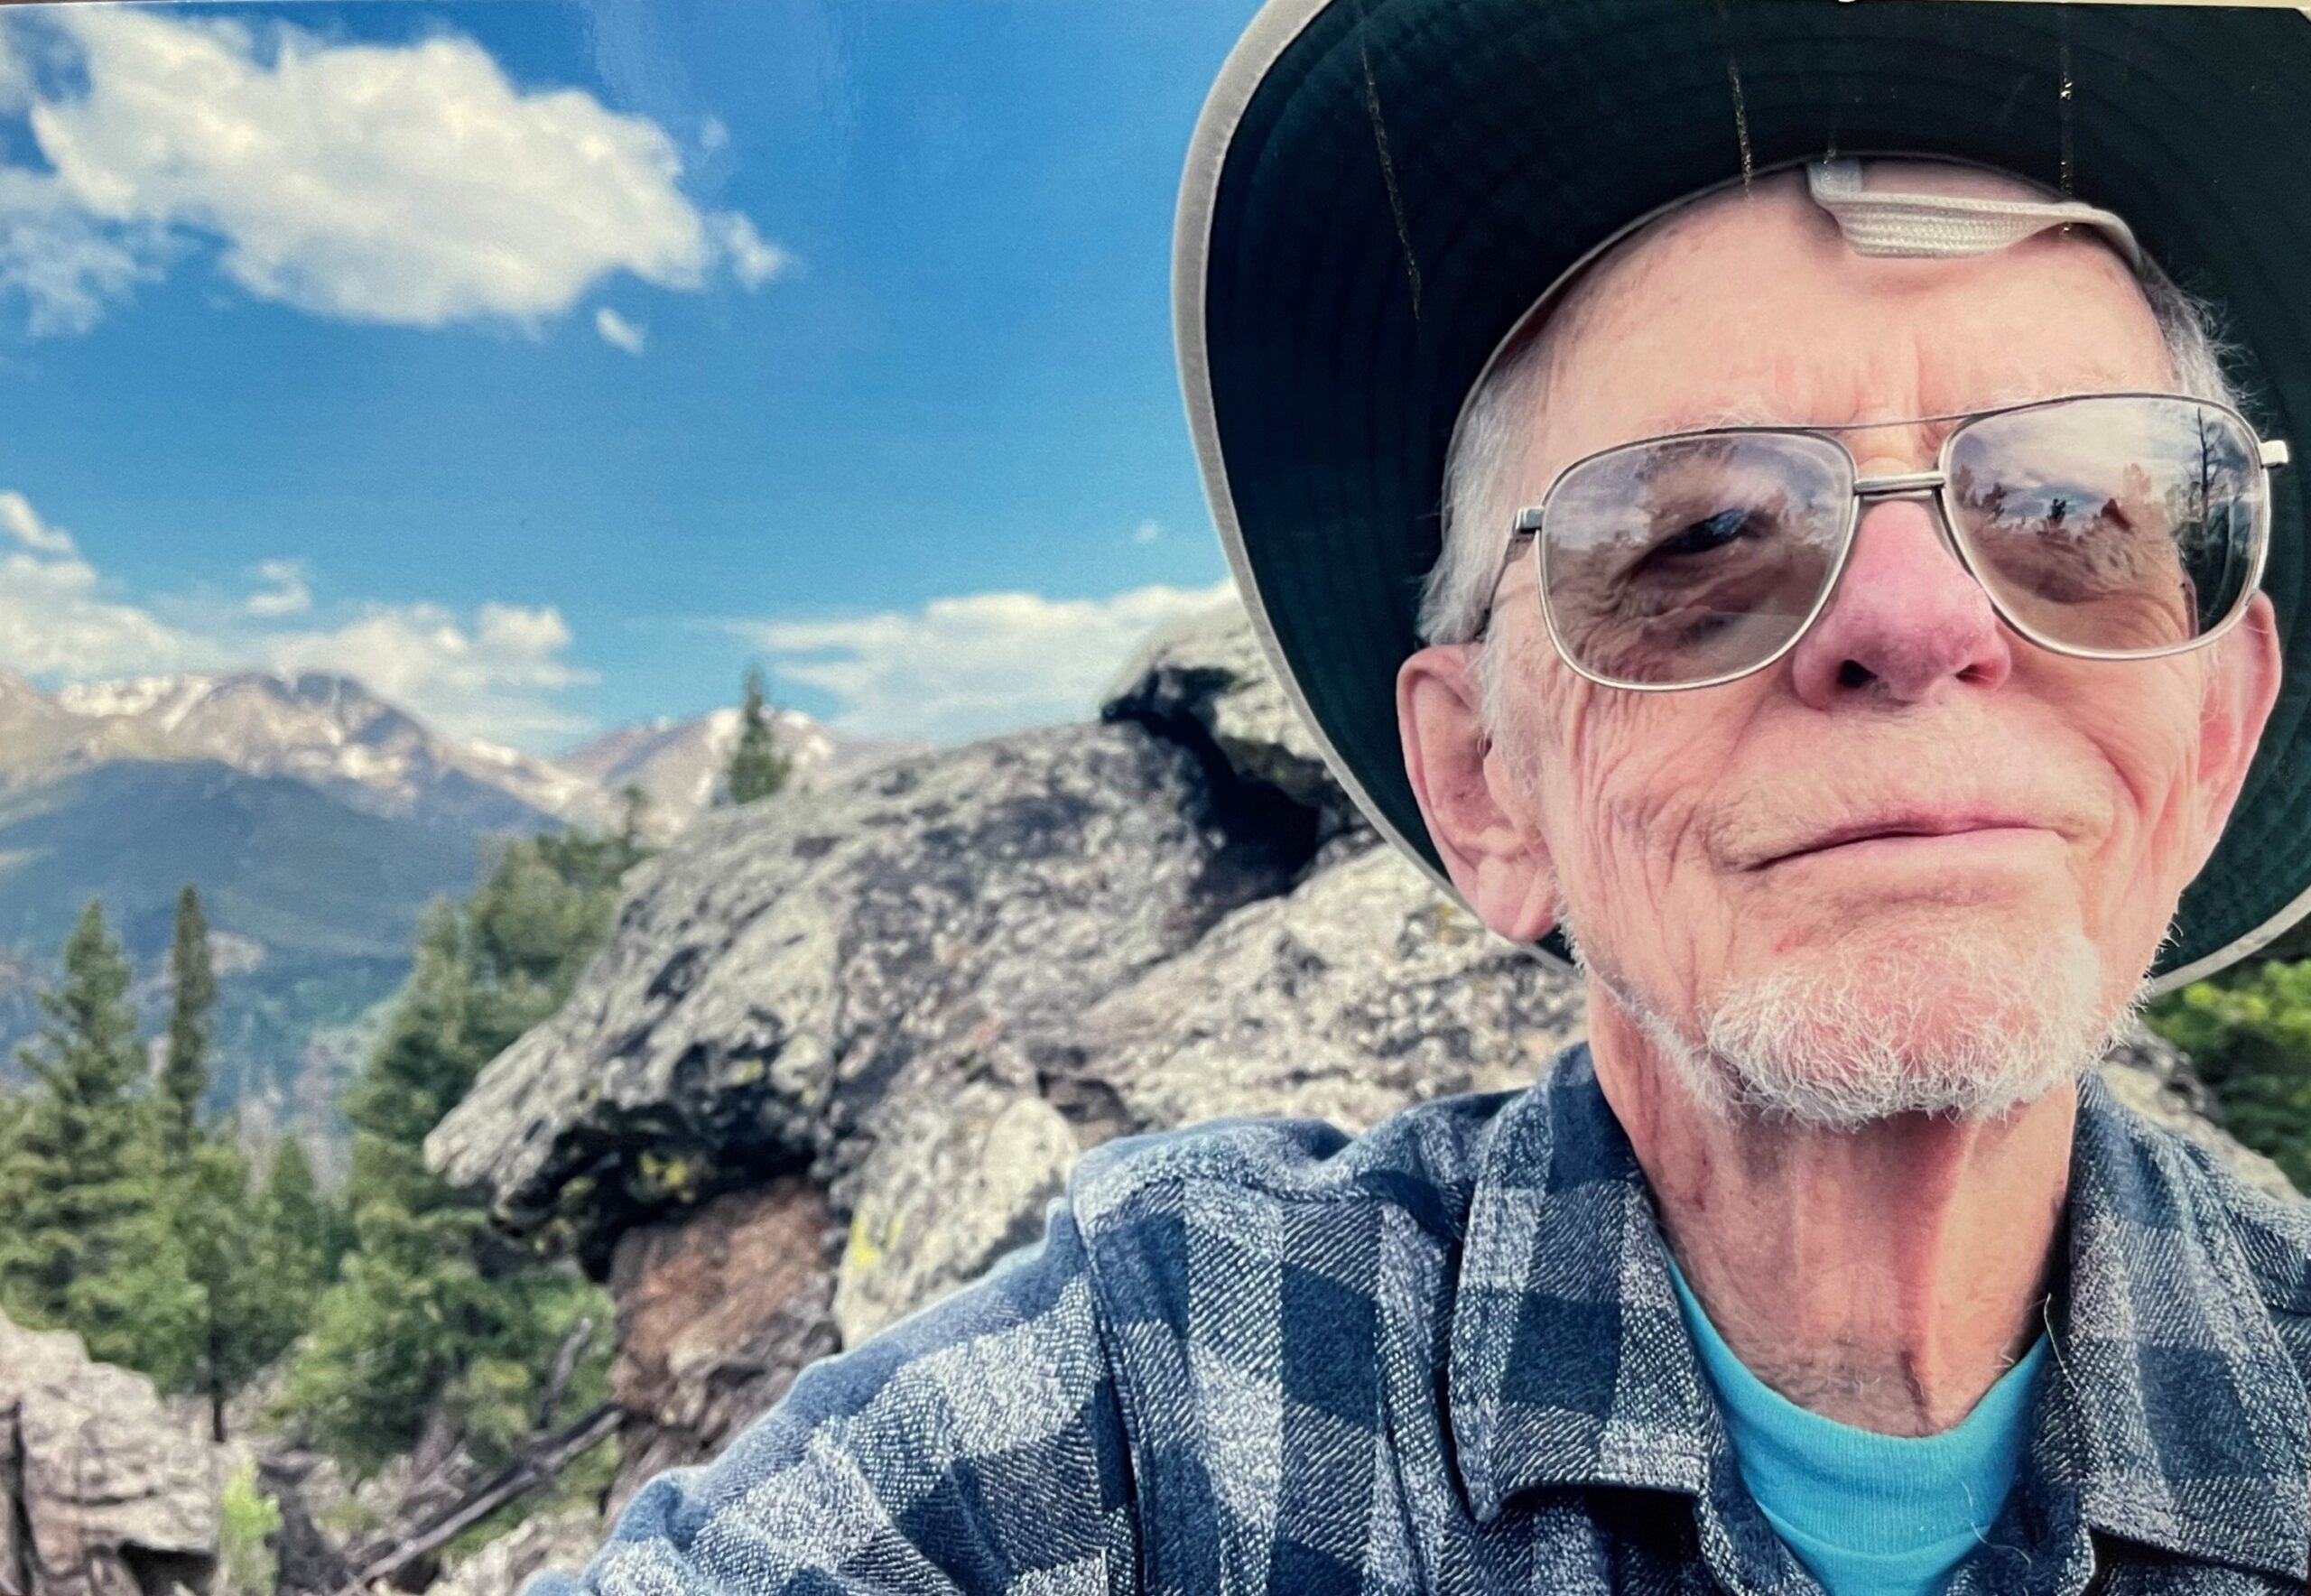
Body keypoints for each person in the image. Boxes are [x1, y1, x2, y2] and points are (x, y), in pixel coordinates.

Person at [538, 0, 2311, 1591]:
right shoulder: (1165, 1394)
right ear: (1482, 785)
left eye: (2073, 510)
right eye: (1695, 534)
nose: (1915, 621)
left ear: (2215, 726)